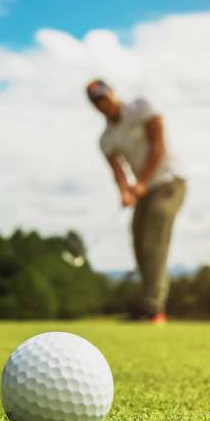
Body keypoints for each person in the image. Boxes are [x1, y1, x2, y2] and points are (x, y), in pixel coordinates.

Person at [86, 79, 187, 325]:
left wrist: (140, 182)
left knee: (154, 240)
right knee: (139, 243)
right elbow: (118, 171)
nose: (103, 103)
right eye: (97, 101)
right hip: (145, 190)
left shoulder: (142, 107)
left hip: (169, 182)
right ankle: (146, 305)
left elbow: (158, 146)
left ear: (112, 92)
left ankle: (153, 309)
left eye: (104, 97)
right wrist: (124, 191)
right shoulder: (106, 139)